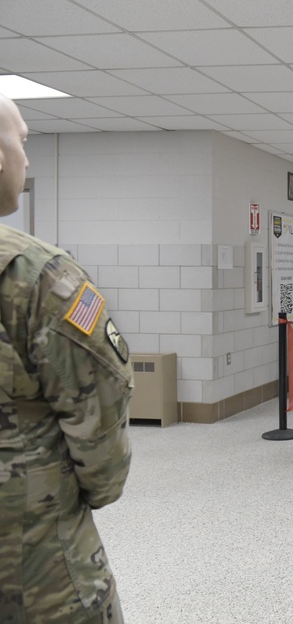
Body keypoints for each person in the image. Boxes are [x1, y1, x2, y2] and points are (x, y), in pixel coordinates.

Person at [0, 94, 132, 621]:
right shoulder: (36, 276)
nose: (27, 158)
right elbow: (100, 414)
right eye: (22, 141)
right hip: (32, 570)